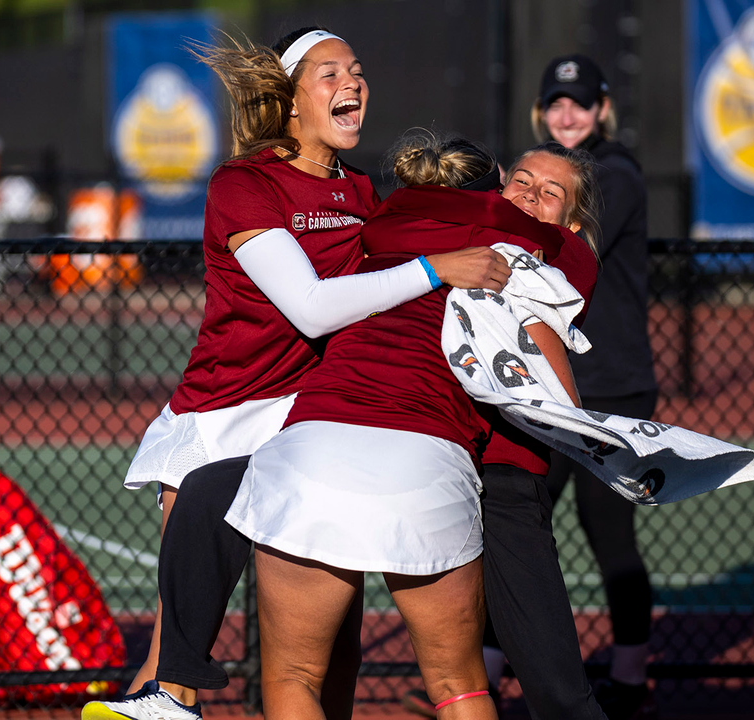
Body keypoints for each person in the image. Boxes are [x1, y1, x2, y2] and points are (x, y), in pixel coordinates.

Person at [83, 29, 507, 720]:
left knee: (332, 642)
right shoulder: (243, 184)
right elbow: (310, 308)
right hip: (224, 414)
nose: (353, 82)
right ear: (287, 103)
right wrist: (436, 268)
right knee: (177, 649)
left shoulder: (364, 190)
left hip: (313, 421)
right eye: (330, 72)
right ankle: (167, 702)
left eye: (359, 70)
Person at [223, 132, 600, 720]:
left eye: (550, 192)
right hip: (430, 459)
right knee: (459, 683)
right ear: (494, 187)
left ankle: (169, 681)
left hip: (313, 445)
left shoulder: (377, 226)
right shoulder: (531, 251)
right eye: (521, 185)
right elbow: (563, 393)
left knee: (294, 676)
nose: (529, 198)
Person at [526, 53, 658, 720]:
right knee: (520, 524)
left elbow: (559, 251)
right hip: (552, 385)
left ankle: (631, 677)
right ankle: (489, 670)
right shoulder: (546, 175)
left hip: (613, 386)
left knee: (610, 535)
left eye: (579, 102)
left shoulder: (617, 176)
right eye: (556, 103)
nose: (568, 114)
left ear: (603, 108)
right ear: (540, 112)